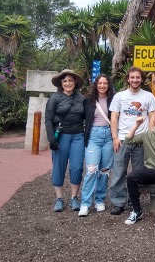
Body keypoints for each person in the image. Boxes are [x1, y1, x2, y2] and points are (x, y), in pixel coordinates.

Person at [109, 66, 155, 215]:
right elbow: (114, 117)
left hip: (140, 140)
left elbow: (152, 116)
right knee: (119, 171)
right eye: (132, 77)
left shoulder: (148, 96)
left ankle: (133, 200)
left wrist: (150, 135)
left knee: (137, 172)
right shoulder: (120, 96)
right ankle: (118, 201)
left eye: (138, 77)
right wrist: (115, 137)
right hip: (123, 139)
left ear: (142, 79)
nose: (135, 80)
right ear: (128, 79)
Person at [45, 69, 85, 212]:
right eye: (65, 81)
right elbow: (48, 119)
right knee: (59, 166)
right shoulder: (55, 98)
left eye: (70, 80)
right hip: (61, 136)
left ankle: (74, 197)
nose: (68, 83)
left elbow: (88, 117)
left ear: (75, 82)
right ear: (61, 84)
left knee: (77, 167)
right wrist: (51, 139)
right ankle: (59, 198)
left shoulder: (81, 98)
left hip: (78, 135)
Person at [78, 74, 115, 217]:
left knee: (105, 170)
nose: (102, 86)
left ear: (108, 85)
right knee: (92, 169)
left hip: (109, 135)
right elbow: (80, 117)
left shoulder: (113, 100)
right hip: (93, 135)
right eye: (100, 83)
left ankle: (99, 199)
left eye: (105, 83)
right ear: (96, 84)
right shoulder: (88, 100)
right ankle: (85, 203)